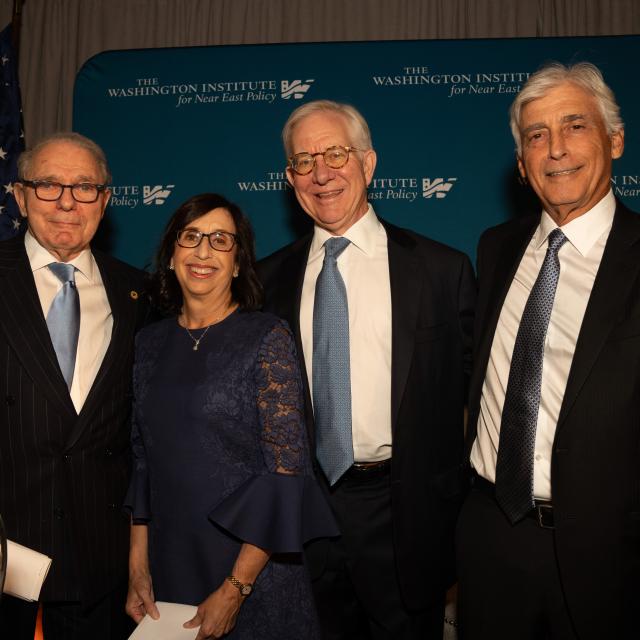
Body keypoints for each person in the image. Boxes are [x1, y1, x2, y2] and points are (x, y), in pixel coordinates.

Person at [257, 100, 476, 639]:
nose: (321, 172)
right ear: (290, 178)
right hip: (301, 518)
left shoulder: (440, 271)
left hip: (403, 515)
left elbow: (476, 399)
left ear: (368, 163)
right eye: (303, 161)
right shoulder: (265, 281)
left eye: (335, 153)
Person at [457, 62, 638, 640]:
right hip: (491, 533)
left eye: (574, 126)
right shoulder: (496, 248)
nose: (555, 149)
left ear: (615, 139)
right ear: (520, 162)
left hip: (609, 554)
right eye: (537, 135)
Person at [124, 193, 337, 640]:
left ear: (238, 263)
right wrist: (138, 569)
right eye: (191, 237)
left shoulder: (266, 337)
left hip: (252, 568)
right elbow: (143, 464)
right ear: (171, 256)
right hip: (171, 561)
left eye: (221, 240)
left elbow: (285, 473)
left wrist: (235, 589)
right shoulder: (148, 343)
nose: (203, 251)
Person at [0, 132, 147, 638]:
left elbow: (143, 439)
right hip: (5, 562)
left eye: (84, 187)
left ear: (105, 201)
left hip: (100, 571)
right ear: (19, 196)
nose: (66, 201)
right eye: (47, 185)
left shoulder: (141, 294)